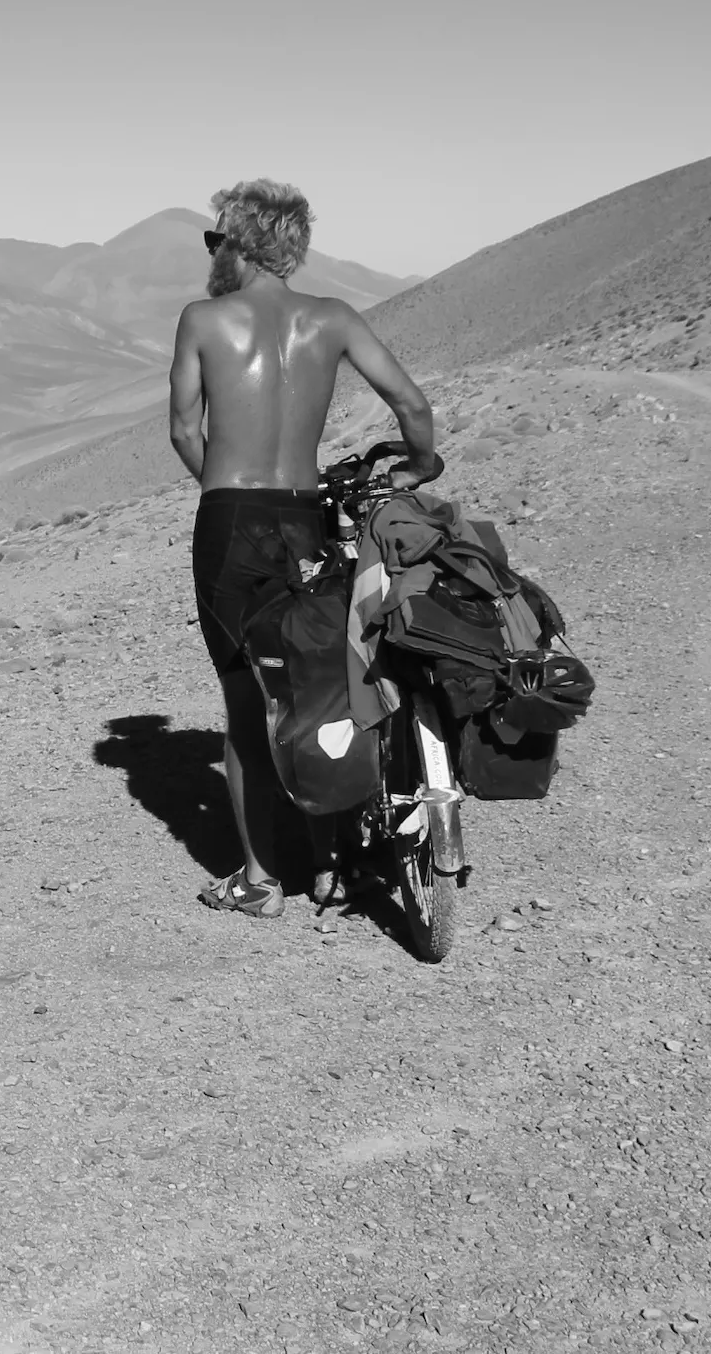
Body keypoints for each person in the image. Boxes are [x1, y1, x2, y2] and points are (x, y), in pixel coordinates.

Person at [167, 180, 440, 917]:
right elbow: (411, 405)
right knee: (316, 678)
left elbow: (185, 431)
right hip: (305, 516)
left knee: (241, 695)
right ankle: (327, 854)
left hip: (230, 522)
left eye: (216, 238)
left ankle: (260, 881)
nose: (213, 252)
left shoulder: (202, 319)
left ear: (240, 241)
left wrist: (223, 489)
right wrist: (421, 464)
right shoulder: (333, 319)